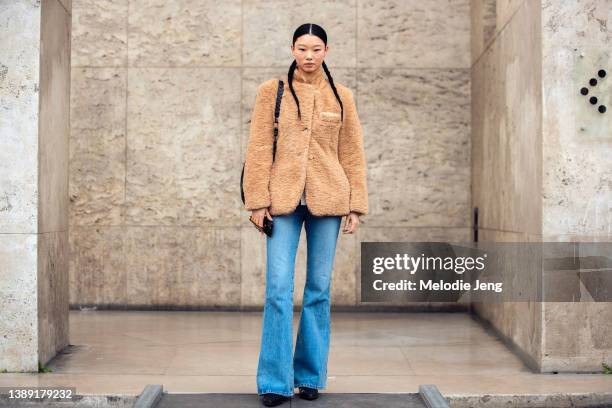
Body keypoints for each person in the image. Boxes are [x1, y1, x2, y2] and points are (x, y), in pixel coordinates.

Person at [242, 22, 369, 407]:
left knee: (319, 290)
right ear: (293, 49)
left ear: (326, 51)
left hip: (329, 201)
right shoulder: (272, 91)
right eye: (302, 48)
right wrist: (257, 201)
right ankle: (274, 383)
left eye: (316, 48)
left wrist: (356, 205)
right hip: (281, 202)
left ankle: (310, 377)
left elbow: (352, 153)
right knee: (278, 290)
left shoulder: (342, 96)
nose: (309, 55)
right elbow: (260, 147)